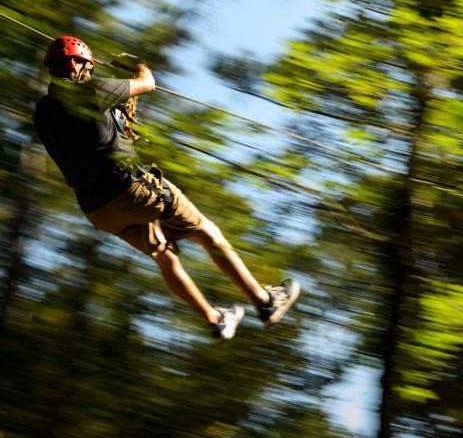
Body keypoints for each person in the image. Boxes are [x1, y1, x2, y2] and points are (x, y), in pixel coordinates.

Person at [33, 35, 300, 341]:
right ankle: (265, 302)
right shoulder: (94, 90)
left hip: (97, 209)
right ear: (81, 64)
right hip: (132, 189)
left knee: (165, 254)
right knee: (205, 231)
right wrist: (138, 65)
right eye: (88, 67)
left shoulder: (42, 112)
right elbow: (147, 83)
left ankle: (215, 319)